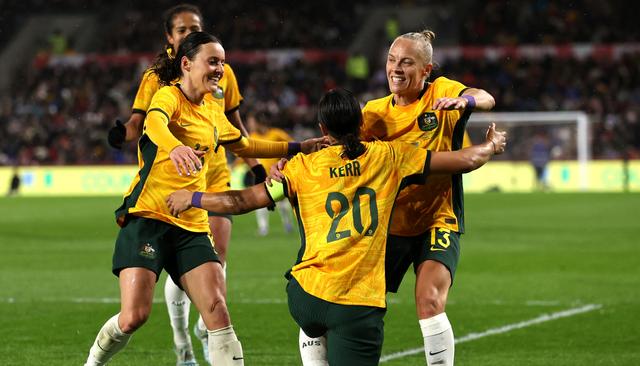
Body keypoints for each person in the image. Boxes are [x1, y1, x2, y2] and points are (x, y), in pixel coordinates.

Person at [166, 88, 505, 366]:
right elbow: (465, 160)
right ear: (362, 123)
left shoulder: (300, 167)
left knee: (313, 321)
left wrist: (193, 198)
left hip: (305, 297)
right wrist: (491, 145)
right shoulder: (388, 157)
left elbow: (240, 201)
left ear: (322, 128)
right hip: (356, 304)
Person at [83, 31, 324, 366]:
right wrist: (175, 147)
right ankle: (92, 362)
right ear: (186, 64)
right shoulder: (168, 96)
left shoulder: (212, 109)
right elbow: (154, 123)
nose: (219, 69)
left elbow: (244, 144)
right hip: (149, 217)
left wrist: (299, 146)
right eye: (213, 61)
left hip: (192, 225)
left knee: (217, 312)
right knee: (133, 317)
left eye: (223, 63)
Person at [294, 30, 497, 365]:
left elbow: (485, 96)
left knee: (429, 300)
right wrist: (289, 164)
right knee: (335, 295)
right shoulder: (372, 114)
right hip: (386, 227)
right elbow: (336, 150)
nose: (396, 68)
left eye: (407, 62)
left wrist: (467, 102)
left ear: (426, 70)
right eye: (391, 60)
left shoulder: (442, 93)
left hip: (437, 219)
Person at [106, 4, 266, 364]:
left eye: (193, 28)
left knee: (216, 264)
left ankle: (208, 328)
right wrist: (124, 134)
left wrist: (255, 164)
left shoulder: (222, 72)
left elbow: (235, 127)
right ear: (170, 38)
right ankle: (184, 346)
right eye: (180, 30)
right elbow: (143, 122)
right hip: (171, 176)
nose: (186, 34)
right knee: (167, 284)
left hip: (214, 169)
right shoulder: (157, 80)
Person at [246, 110, 294, 236]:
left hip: (277, 175)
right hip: (261, 177)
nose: (250, 124)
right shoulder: (252, 136)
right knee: (260, 203)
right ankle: (263, 228)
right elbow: (245, 154)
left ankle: (288, 224)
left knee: (283, 203)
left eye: (252, 122)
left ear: (258, 122)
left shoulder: (276, 134)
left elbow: (292, 144)